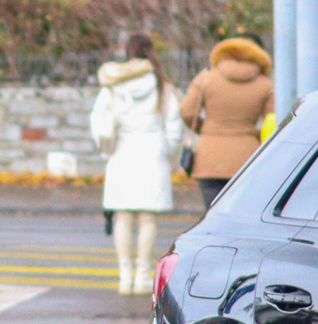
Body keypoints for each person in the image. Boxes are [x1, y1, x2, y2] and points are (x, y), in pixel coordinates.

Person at [90, 34, 182, 295]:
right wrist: (170, 154)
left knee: (122, 215)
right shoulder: (161, 84)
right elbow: (174, 125)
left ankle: (124, 275)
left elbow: (99, 120)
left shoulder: (113, 85)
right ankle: (142, 275)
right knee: (147, 217)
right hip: (153, 150)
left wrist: (106, 148)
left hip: (122, 152)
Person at [177, 37, 275, 210]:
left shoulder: (205, 79)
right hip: (248, 156)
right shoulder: (265, 85)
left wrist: (205, 128)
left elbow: (187, 111)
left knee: (212, 213)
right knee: (242, 212)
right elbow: (273, 120)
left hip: (209, 156)